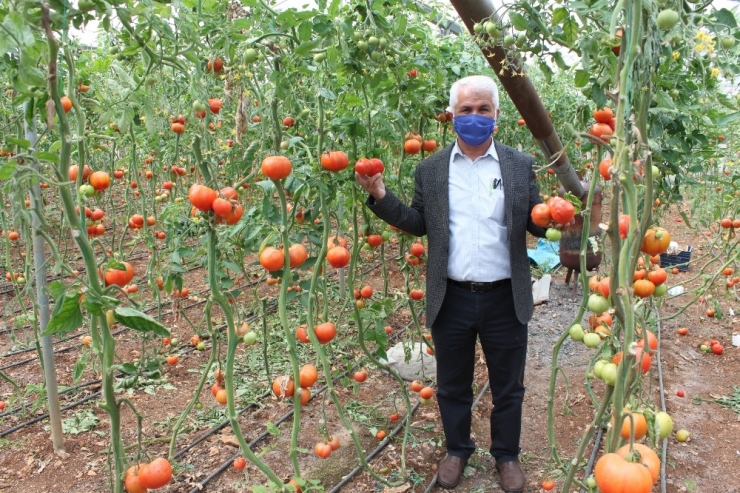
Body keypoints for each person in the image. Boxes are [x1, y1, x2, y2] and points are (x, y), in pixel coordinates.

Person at [355, 75, 546, 493]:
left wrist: (556, 218)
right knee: (452, 383)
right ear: (452, 116)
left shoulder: (519, 165)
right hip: (452, 296)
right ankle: (457, 449)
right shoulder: (432, 168)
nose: (474, 117)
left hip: (505, 295)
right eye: (465, 110)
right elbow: (420, 223)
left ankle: (507, 456)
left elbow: (535, 219)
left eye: (482, 110)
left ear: (497, 115)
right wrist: (382, 196)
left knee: (508, 385)